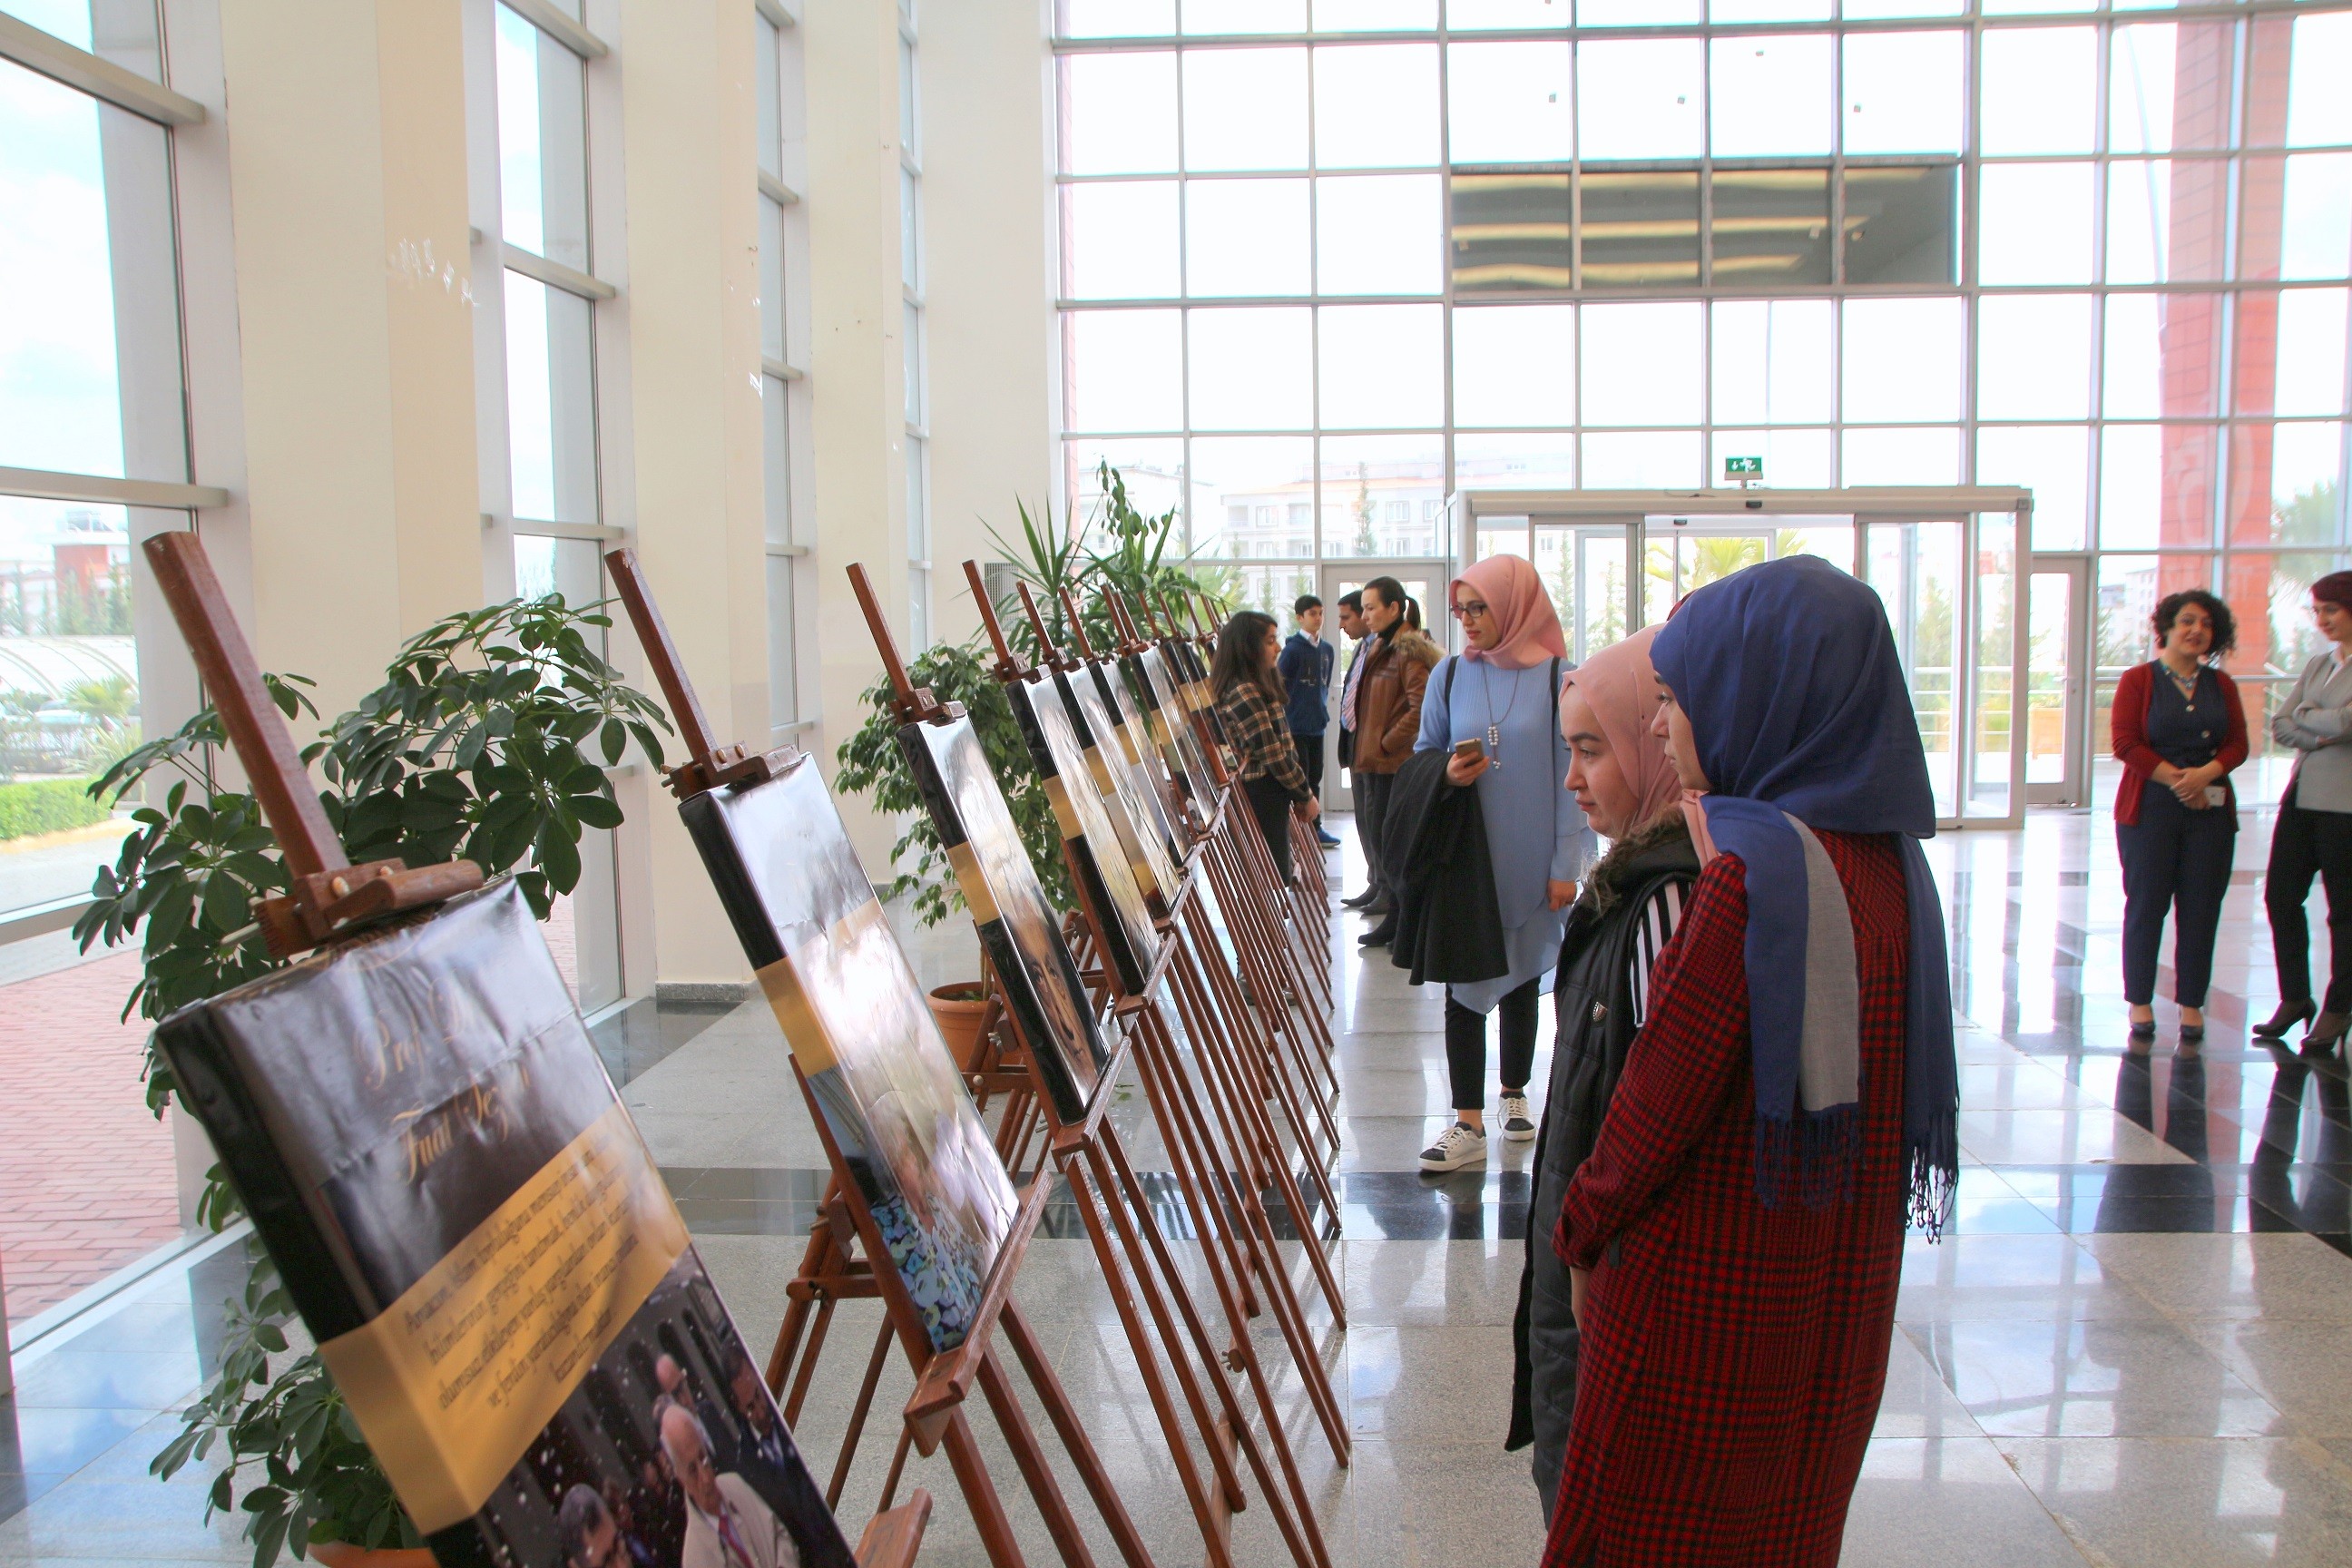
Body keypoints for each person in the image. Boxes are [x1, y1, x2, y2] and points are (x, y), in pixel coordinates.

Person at [1543, 554, 1958, 1568]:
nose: (1666, 729)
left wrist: (1578, 1236)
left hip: (1707, 1304)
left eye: (1678, 701)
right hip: (1836, 1293)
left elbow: (1650, 1118)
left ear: (1761, 696)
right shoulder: (1895, 869)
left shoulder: (1752, 876)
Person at [1509, 624, 1697, 1519]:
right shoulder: (1635, 880)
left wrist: (1588, 1242)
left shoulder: (1664, 898)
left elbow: (1655, 1114)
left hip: (1614, 1285)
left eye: (1592, 750)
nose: (1573, 778)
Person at [1412, 555, 1591, 1172]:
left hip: (1535, 853)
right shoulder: (1451, 675)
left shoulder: (1558, 679)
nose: (1467, 620)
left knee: (1522, 974)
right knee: (1464, 979)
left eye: (1480, 607)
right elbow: (1422, 754)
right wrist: (1446, 773)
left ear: (1515, 606)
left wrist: (1567, 861)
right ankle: (1466, 1120)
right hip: (1469, 857)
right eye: (1462, 609)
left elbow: (1575, 779)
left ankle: (1515, 1096)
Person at [2110, 589, 2247, 1049]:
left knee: (2201, 907)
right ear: (2166, 627)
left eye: (2206, 625)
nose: (2196, 631)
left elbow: (2238, 744)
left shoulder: (2221, 685)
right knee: (2147, 904)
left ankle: (2191, 1004)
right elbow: (2126, 744)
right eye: (2187, 621)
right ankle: (2140, 1001)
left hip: (2210, 810)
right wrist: (2177, 780)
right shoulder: (2138, 680)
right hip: (2149, 808)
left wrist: (2206, 774)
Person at [2259, 571, 2352, 1056]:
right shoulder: (2318, 665)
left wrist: (2311, 720)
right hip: (2300, 799)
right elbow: (2280, 722)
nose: (2322, 620)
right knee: (2280, 897)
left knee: (2345, 912)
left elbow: (2346, 721)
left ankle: (2340, 1004)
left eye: (2331, 610)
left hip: (2345, 806)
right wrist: (2321, 733)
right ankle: (2296, 996)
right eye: (2316, 611)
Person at [1352, 575, 1443, 946]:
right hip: (1377, 763)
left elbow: (1421, 708)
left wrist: (1387, 743)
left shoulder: (1408, 650)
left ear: (1394, 608)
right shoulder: (1381, 646)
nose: (1365, 615)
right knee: (1384, 844)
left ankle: (1405, 925)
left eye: (1371, 607)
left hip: (1395, 764)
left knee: (1397, 847)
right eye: (1364, 608)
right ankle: (1395, 919)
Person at [1212, 609, 1320, 884]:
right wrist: (1304, 793)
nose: (1278, 647)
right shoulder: (1244, 690)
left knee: (1275, 869)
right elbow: (1273, 753)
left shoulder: (1253, 683)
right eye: (1270, 641)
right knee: (1269, 875)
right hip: (1262, 790)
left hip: (1269, 788)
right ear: (1248, 647)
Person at [659, 1401, 802, 1568]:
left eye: (703, 1458)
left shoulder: (734, 1484)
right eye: (692, 1471)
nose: (705, 1477)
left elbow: (779, 1534)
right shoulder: (694, 1560)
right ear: (680, 1478)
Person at [1279, 593, 1341, 848]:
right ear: (1299, 618)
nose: (1318, 618)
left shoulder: (1326, 650)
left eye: (1320, 613)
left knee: (1315, 776)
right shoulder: (1292, 650)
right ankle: (1298, 831)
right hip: (1296, 725)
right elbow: (1280, 686)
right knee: (1300, 779)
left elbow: (1324, 685)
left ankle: (1315, 828)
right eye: (1312, 614)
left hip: (1317, 724)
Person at [1334, 590, 1377, 906]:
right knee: (1364, 817)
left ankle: (1386, 890)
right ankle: (1375, 882)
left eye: (1347, 617)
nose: (1342, 625)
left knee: (1377, 818)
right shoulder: (1363, 648)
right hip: (1355, 741)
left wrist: (1382, 743)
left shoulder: (1386, 650)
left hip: (1374, 748)